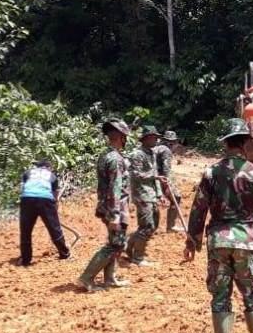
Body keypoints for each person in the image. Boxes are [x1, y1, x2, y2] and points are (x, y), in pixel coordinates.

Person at [185, 118, 253, 333]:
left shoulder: (211, 172)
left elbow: (198, 209)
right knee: (252, 292)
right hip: (246, 240)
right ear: (245, 143)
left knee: (221, 294)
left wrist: (192, 241)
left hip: (219, 241)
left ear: (225, 144)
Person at [77, 118, 132, 292]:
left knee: (115, 242)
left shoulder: (105, 155)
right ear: (121, 137)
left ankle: (110, 278)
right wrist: (115, 214)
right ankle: (86, 278)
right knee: (116, 244)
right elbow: (115, 187)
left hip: (106, 205)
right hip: (115, 207)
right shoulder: (115, 159)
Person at [17, 159, 70, 265]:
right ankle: (64, 253)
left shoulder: (28, 173)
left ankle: (26, 259)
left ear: (38, 167)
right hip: (45, 199)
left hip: (27, 198)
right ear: (49, 168)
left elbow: (22, 189)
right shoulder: (52, 176)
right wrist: (54, 207)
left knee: (25, 230)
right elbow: (55, 194)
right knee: (54, 228)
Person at [126, 126, 163, 266]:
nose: (156, 140)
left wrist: (159, 194)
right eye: (153, 137)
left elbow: (155, 175)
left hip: (151, 194)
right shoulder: (137, 154)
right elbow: (136, 174)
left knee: (154, 225)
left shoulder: (152, 153)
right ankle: (138, 258)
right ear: (146, 138)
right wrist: (155, 177)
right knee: (147, 225)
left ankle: (129, 247)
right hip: (141, 194)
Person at [157, 130, 184, 233]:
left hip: (152, 177)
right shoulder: (166, 151)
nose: (174, 145)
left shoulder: (157, 148)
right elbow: (166, 170)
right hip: (160, 178)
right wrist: (167, 186)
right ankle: (171, 226)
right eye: (172, 143)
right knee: (176, 197)